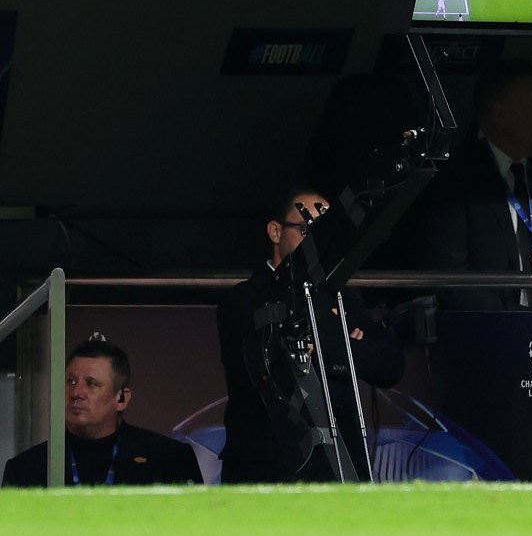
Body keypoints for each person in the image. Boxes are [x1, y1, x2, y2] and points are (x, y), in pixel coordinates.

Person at [416, 59, 532, 390]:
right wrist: (518, 325)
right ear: (501, 114)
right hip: (487, 335)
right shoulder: (454, 182)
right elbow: (448, 279)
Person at [216, 187, 405, 483]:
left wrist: (325, 346)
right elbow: (262, 376)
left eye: (328, 231)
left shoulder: (342, 296)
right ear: (275, 231)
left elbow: (390, 366)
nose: (319, 240)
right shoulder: (244, 300)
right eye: (308, 229)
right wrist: (343, 342)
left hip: (339, 469)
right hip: (268, 470)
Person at [3, 339, 203, 487]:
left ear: (121, 398)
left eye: (91, 384)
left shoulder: (170, 460)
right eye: (70, 381)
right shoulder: (26, 469)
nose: (76, 393)